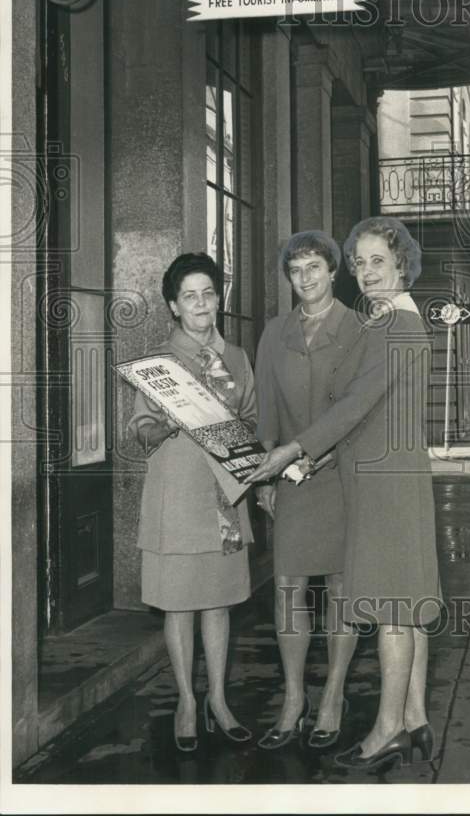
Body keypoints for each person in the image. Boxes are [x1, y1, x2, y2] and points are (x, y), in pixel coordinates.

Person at [248, 217, 442, 772]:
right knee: (405, 604)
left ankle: (386, 732)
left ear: (402, 263)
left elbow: (356, 402)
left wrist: (291, 452)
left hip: (385, 483)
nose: (365, 272)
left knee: (391, 613)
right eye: (359, 262)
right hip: (383, 475)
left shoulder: (397, 326)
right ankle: (416, 718)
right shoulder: (387, 320)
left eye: (377, 261)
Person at [128, 252, 255, 752]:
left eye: (208, 293)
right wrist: (168, 421)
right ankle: (186, 700)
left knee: (219, 603)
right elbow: (140, 431)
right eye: (189, 296)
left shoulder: (240, 358)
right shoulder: (158, 362)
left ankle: (218, 700)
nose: (201, 303)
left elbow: (254, 419)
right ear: (174, 307)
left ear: (217, 299)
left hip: (224, 495)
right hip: (176, 493)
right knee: (179, 604)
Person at [253, 231, 362, 750]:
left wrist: (319, 453)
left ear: (333, 269)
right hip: (292, 480)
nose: (305, 278)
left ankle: (334, 694)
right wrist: (266, 479)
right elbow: (267, 412)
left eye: (314, 266)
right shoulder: (274, 333)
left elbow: (362, 410)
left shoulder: (358, 328)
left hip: (344, 478)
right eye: (296, 269)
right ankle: (294, 697)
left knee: (342, 591)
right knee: (288, 591)